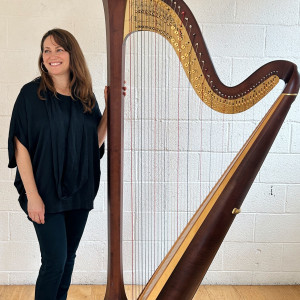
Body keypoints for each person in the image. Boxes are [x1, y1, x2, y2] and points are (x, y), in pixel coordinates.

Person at [7, 28, 108, 300]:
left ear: (71, 54)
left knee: (68, 259)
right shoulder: (30, 94)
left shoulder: (85, 96)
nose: (51, 55)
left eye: (59, 49)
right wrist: (32, 196)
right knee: (54, 262)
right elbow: (21, 148)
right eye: (46, 50)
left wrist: (110, 111)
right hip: (44, 193)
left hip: (79, 191)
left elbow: (92, 146)